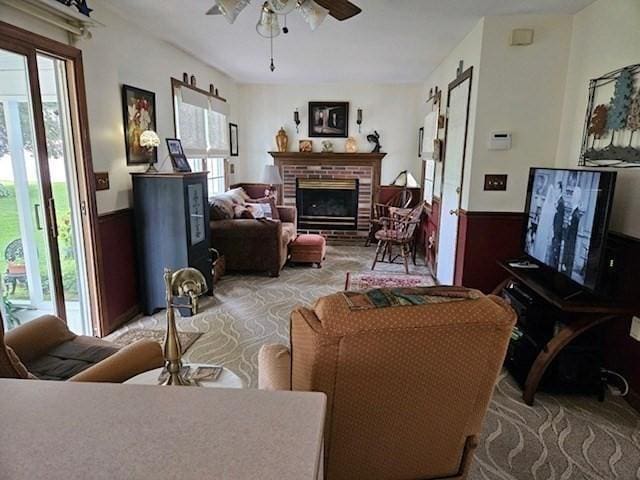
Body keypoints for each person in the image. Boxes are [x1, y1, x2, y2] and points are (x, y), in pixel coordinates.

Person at [563, 185, 583, 278]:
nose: (572, 197)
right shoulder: (573, 211)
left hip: (570, 247)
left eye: (574, 195)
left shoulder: (576, 214)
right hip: (568, 245)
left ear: (577, 197)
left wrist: (565, 260)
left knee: (566, 271)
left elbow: (571, 239)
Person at [550, 181, 565, 269]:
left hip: (556, 235)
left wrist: (555, 235)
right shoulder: (558, 201)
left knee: (554, 258)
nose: (555, 191)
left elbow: (559, 223)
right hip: (554, 234)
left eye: (556, 189)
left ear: (560, 190)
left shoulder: (561, 203)